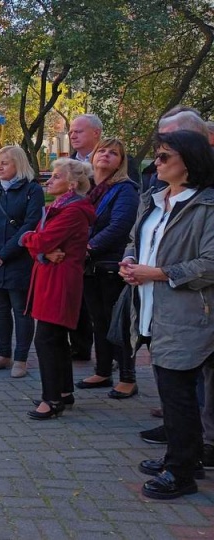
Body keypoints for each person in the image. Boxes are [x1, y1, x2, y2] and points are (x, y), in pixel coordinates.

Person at [121, 130, 214, 500]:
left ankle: (181, 472)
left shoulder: (206, 207)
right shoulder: (154, 200)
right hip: (151, 307)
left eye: (163, 157)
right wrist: (130, 261)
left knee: (177, 394)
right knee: (174, 390)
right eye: (156, 157)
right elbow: (137, 240)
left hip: (188, 313)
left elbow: (209, 264)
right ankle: (185, 459)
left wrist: (157, 273)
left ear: (189, 163)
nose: (154, 164)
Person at [20, 159, 95, 420]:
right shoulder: (58, 208)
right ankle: (63, 392)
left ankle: (51, 399)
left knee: (47, 338)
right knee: (56, 338)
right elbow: (42, 245)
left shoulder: (72, 212)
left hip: (60, 281)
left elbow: (41, 239)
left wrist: (26, 239)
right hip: (51, 276)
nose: (49, 181)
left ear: (71, 185)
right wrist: (41, 252)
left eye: (55, 176)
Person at [74, 139, 139, 397]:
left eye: (114, 153)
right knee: (97, 321)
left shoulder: (125, 189)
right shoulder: (87, 188)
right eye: (102, 150)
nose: (106, 155)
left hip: (112, 264)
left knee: (118, 323)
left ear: (121, 162)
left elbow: (120, 226)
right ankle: (102, 371)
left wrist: (87, 247)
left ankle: (128, 377)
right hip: (88, 265)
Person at [0, 145, 44, 378]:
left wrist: (3, 254)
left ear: (18, 164)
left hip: (17, 261)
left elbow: (30, 224)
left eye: (5, 163)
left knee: (21, 310)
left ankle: (21, 358)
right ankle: (3, 354)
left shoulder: (32, 190)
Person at [69, 114, 141, 185]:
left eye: (78, 132)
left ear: (96, 133)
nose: (72, 136)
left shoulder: (123, 161)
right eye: (71, 133)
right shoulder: (67, 164)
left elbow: (131, 191)